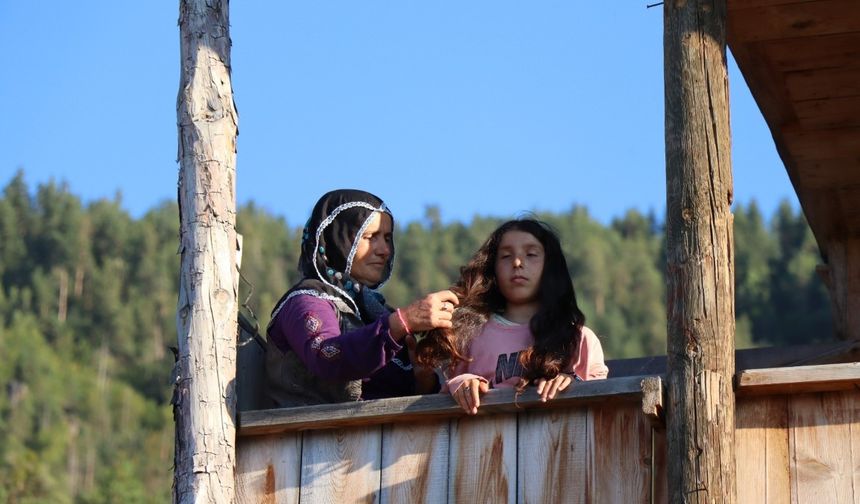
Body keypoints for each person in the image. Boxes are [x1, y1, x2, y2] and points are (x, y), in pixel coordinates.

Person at [264, 189, 459, 408]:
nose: (385, 250)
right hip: (310, 439)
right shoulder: (306, 302)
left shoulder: (376, 312)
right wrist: (401, 322)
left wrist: (422, 379)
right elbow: (328, 357)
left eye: (387, 238)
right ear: (336, 240)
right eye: (370, 237)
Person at [415, 218, 608, 415]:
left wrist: (573, 385)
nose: (517, 263)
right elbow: (444, 400)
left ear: (550, 267)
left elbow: (602, 403)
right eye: (506, 256)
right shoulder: (468, 337)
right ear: (493, 268)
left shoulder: (578, 339)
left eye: (531, 254)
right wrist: (460, 384)